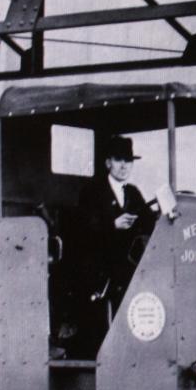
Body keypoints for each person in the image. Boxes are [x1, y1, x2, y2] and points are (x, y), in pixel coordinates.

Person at [73, 136, 159, 352]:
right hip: (99, 271)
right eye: (119, 160)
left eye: (128, 161)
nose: (124, 166)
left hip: (126, 268)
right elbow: (81, 229)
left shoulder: (133, 193)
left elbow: (148, 222)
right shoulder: (92, 192)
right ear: (108, 162)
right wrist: (112, 224)